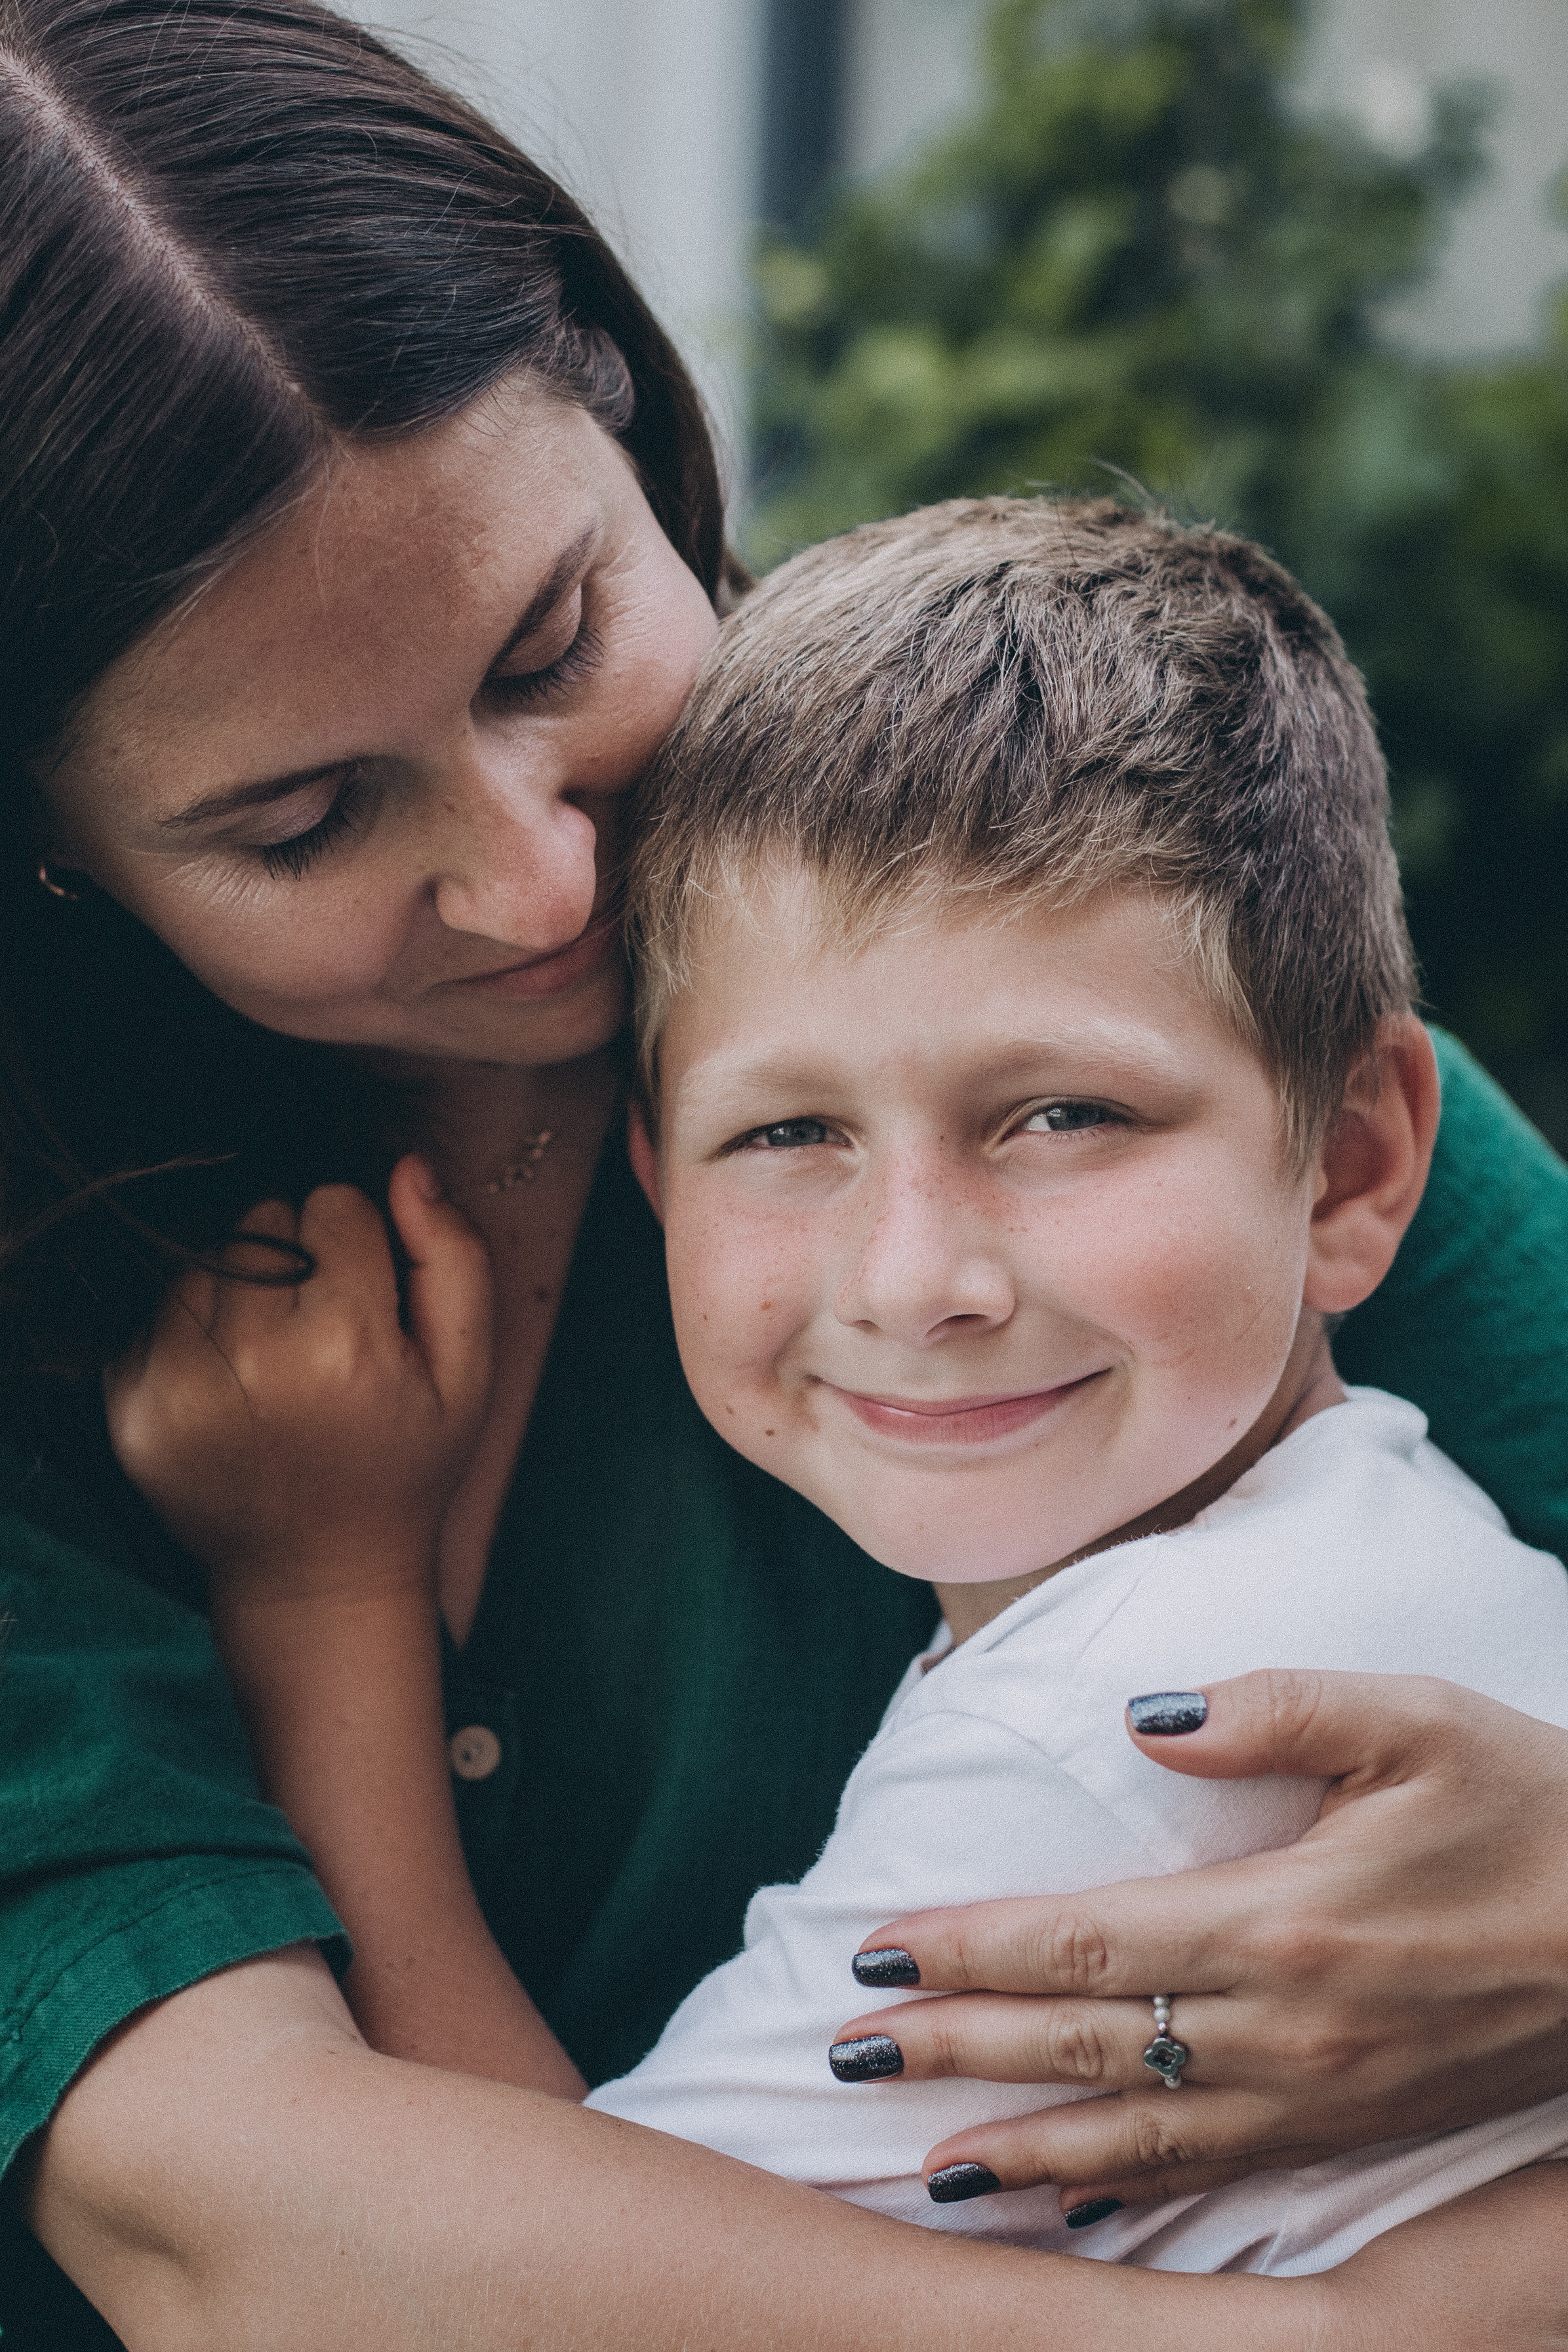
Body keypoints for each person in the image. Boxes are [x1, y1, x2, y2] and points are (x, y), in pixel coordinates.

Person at [2, 1, 1567, 2344]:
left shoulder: (1151, 1021)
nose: (541, 881)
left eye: (557, 643)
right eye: (306, 819)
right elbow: (239, 2229)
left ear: (640, 431)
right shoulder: (61, 1306)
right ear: (59, 857)